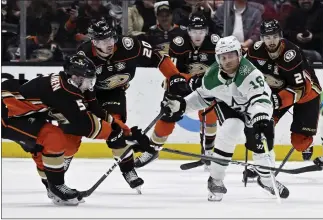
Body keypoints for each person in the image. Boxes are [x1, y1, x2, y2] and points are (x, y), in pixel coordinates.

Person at [1, 54, 149, 206]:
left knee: (42, 146)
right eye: (88, 80)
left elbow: (95, 108)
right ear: (75, 77)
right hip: (7, 113)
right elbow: (85, 125)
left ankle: (52, 187)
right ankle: (56, 187)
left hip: (28, 111)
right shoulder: (63, 93)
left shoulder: (76, 85)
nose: (91, 84)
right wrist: (121, 137)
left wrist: (121, 127)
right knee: (53, 137)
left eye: (92, 79)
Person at [161, 35, 289, 201]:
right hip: (229, 107)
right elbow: (202, 97)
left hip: (256, 110)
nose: (227, 60)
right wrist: (182, 106)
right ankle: (216, 179)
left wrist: (261, 117)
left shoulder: (249, 73)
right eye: (223, 57)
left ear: (239, 54)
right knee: (231, 127)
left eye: (231, 55)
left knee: (261, 148)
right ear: (217, 58)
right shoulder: (212, 76)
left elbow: (261, 98)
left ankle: (267, 180)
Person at [76, 18, 181, 191]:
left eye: (110, 38)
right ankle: (59, 170)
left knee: (115, 132)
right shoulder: (84, 55)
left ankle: (128, 170)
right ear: (94, 42)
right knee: (74, 132)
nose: (109, 44)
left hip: (113, 92)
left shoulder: (129, 46)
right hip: (88, 94)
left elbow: (157, 56)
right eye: (103, 41)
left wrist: (174, 76)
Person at [135, 13, 220, 169]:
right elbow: (173, 72)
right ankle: (152, 149)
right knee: (169, 113)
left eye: (201, 31)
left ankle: (208, 151)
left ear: (207, 31)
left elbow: (222, 69)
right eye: (194, 31)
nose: (198, 35)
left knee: (210, 113)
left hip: (206, 85)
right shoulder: (178, 43)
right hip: (182, 84)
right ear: (188, 31)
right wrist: (183, 81)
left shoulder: (216, 43)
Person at [244, 19, 322, 180]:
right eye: (267, 37)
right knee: (262, 127)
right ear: (261, 38)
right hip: (276, 91)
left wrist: (277, 100)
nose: (271, 41)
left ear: (280, 36)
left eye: (274, 36)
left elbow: (300, 89)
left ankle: (308, 143)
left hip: (306, 93)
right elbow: (244, 73)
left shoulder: (291, 54)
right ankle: (262, 164)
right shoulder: (255, 50)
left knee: (299, 143)